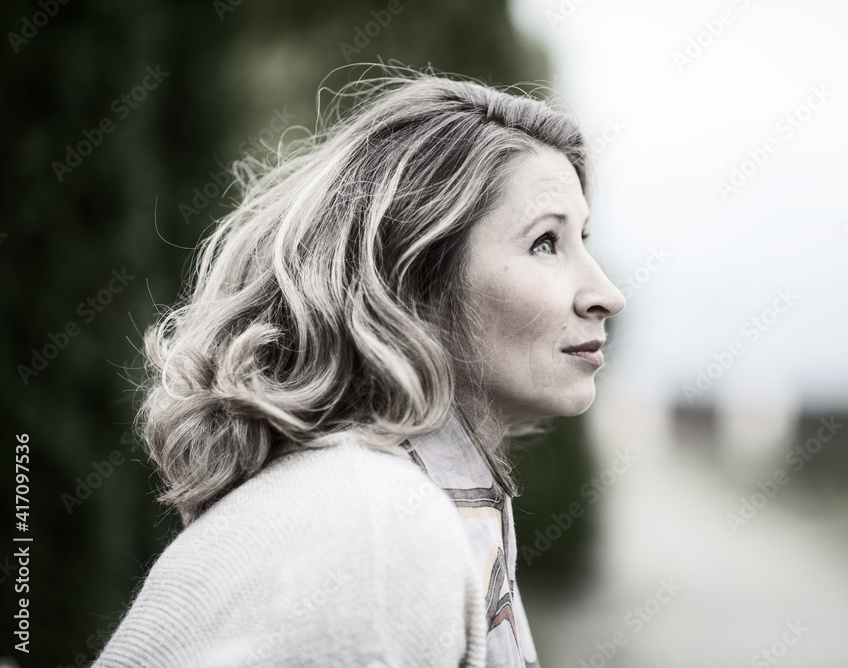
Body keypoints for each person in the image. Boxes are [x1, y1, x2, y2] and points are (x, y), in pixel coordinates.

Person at [95, 69, 625, 667]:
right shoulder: (379, 528)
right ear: (412, 282)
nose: (607, 295)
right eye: (546, 243)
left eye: (583, 238)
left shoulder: (406, 502)